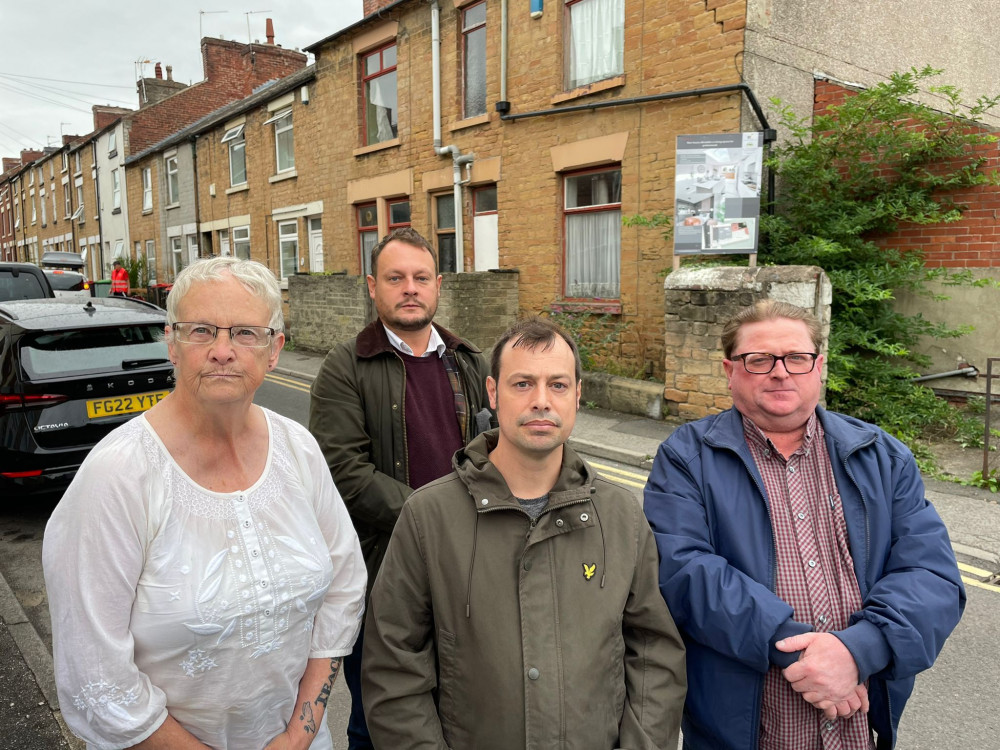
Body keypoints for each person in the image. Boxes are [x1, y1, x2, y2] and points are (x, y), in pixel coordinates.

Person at [43, 256, 366, 750]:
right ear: (171, 342)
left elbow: (344, 586)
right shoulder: (119, 475)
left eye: (244, 333)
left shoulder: (298, 448)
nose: (222, 351)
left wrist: (300, 732)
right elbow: (96, 675)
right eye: (201, 331)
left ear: (274, 349)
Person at [643, 300, 965, 750]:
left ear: (819, 366)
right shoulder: (686, 458)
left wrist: (859, 650)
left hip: (858, 727)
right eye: (759, 360)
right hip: (745, 730)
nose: (780, 372)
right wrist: (798, 648)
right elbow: (683, 570)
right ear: (729, 370)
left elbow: (931, 575)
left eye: (796, 357)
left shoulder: (883, 457)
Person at [362, 317, 687, 749]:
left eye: (557, 385)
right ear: (493, 394)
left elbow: (654, 656)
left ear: (576, 395)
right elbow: (394, 669)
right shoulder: (427, 516)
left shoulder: (621, 515)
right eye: (522, 384)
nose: (541, 401)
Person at [308, 226, 493, 750]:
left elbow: (498, 456)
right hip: (383, 579)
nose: (409, 288)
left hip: (469, 574)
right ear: (373, 286)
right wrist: (438, 521)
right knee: (381, 722)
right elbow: (344, 472)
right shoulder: (345, 368)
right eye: (395, 278)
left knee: (464, 713)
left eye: (420, 277)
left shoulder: (470, 362)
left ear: (439, 284)